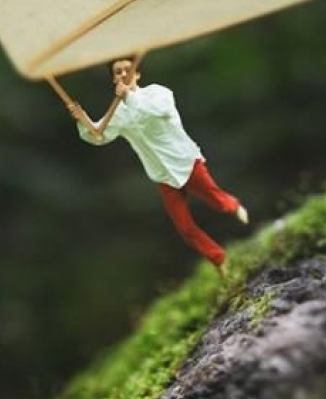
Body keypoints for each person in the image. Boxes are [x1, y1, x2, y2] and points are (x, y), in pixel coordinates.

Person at [65, 55, 249, 278]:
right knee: (184, 227)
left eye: (127, 70)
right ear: (114, 79)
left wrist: (130, 97)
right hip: (161, 174)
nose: (123, 74)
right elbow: (98, 135)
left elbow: (157, 111)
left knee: (218, 201)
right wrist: (82, 119)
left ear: (137, 74)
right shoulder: (118, 113)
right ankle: (219, 259)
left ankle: (235, 205)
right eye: (118, 72)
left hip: (185, 162)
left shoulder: (158, 93)